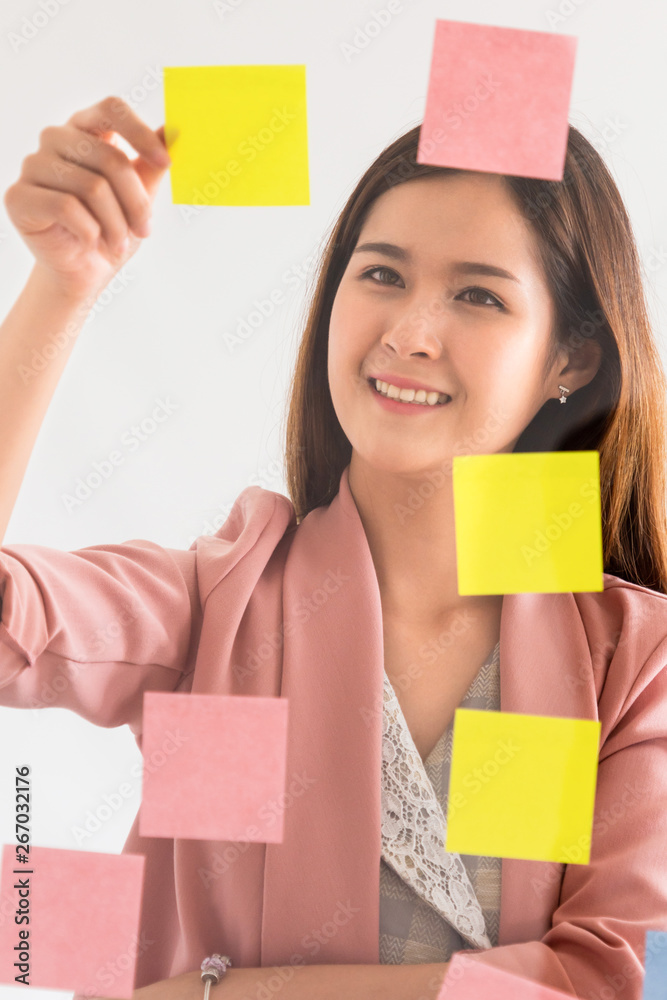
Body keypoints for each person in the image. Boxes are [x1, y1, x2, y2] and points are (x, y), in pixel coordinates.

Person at [0, 96, 666, 1000]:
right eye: (381, 275)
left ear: (571, 362)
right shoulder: (215, 607)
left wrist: (223, 994)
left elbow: (610, 980)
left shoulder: (632, 661)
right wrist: (61, 288)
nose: (407, 334)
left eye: (477, 295)